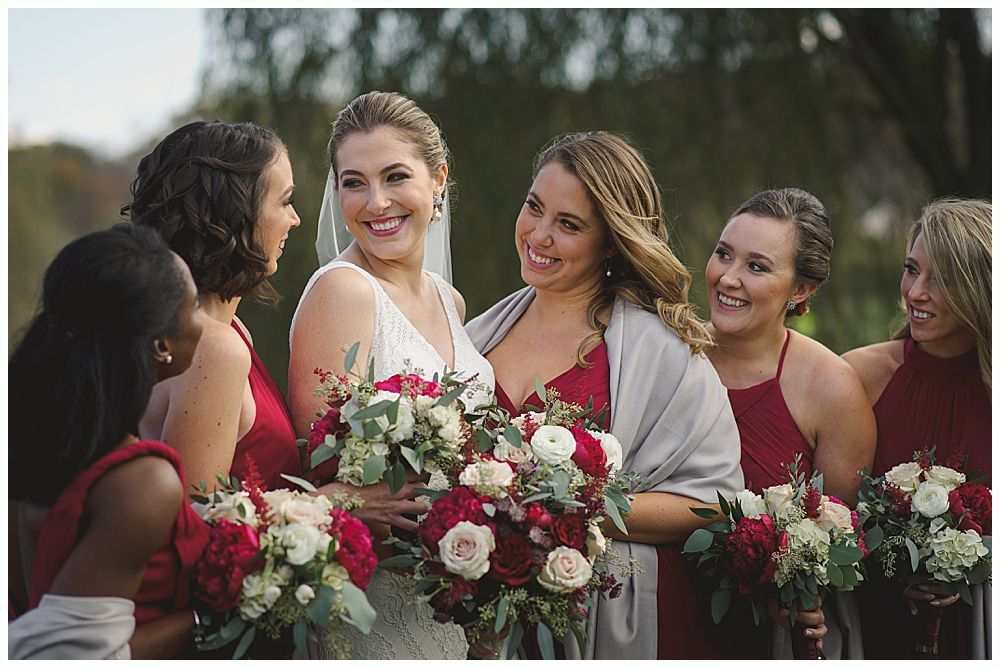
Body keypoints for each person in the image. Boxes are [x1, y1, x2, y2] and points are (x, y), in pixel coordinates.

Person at [466, 131, 744, 660]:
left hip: (614, 615)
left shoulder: (663, 353)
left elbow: (712, 504)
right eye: (534, 207)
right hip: (490, 612)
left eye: (569, 225)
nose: (539, 235)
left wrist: (569, 506)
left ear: (611, 241)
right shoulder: (477, 335)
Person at [288, 90, 494, 660]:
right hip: (378, 605)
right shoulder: (343, 291)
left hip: (454, 592)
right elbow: (319, 467)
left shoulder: (450, 300)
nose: (376, 203)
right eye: (354, 182)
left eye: (395, 176)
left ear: (439, 180)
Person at [9, 224, 209, 659]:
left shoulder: (34, 441)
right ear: (161, 345)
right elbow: (67, 656)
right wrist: (224, 616)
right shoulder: (142, 483)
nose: (205, 320)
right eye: (195, 305)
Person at [704, 187, 875, 658]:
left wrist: (800, 591)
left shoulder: (831, 388)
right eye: (724, 255)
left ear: (801, 290)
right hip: (659, 606)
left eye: (756, 266)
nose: (728, 278)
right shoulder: (672, 354)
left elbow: (836, 543)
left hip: (772, 634)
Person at [843, 198, 991, 659]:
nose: (915, 291)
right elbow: (836, 517)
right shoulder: (859, 377)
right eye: (912, 269)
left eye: (940, 278)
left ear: (981, 287)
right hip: (882, 624)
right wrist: (894, 571)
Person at [122, 120, 302, 492]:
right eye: (284, 201)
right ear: (237, 212)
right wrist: (334, 503)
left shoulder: (228, 330)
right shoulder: (212, 348)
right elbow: (195, 528)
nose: (294, 219)